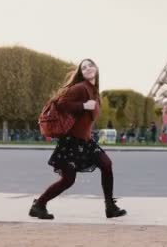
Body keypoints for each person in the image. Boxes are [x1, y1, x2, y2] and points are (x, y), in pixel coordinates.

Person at [29, 59, 126, 220]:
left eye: (90, 65)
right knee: (68, 180)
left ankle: (110, 206)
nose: (88, 69)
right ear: (81, 73)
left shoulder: (93, 90)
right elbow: (61, 103)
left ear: (96, 68)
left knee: (106, 165)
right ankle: (39, 205)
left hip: (85, 141)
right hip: (71, 142)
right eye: (84, 67)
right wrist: (83, 106)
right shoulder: (80, 88)